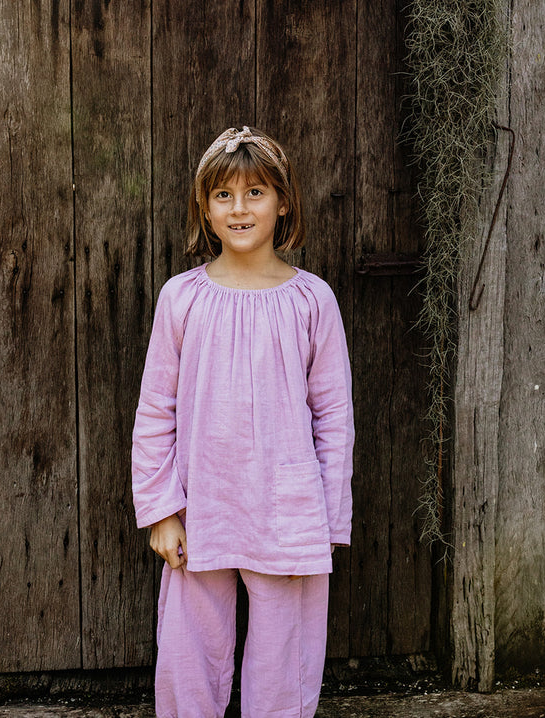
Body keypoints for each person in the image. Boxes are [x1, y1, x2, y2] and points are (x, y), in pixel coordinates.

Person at [132, 125, 354, 718]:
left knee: (285, 660)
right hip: (202, 505)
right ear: (204, 209)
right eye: (224, 195)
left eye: (255, 192)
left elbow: (334, 416)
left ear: (283, 203)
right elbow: (156, 410)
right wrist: (161, 511)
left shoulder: (313, 301)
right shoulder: (182, 299)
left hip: (288, 508)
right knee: (188, 653)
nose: (239, 208)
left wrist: (327, 516)